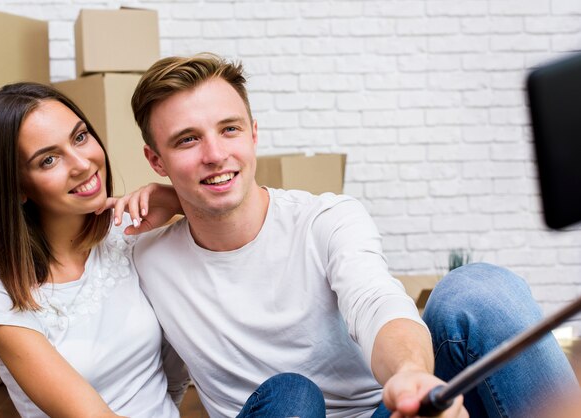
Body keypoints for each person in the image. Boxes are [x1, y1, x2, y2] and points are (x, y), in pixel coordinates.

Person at [113, 53, 579, 418]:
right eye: (187, 141)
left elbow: (376, 302)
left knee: (478, 289)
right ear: (156, 161)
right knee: (292, 394)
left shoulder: (326, 219)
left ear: (253, 135)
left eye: (229, 129)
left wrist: (411, 375)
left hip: (381, 414)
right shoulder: (147, 259)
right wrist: (181, 201)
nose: (215, 154)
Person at [0, 82, 325, 418]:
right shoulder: (1, 296)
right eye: (48, 160)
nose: (82, 163)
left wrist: (174, 198)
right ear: (17, 186)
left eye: (81, 137)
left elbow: (233, 217)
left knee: (293, 394)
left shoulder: (127, 237)